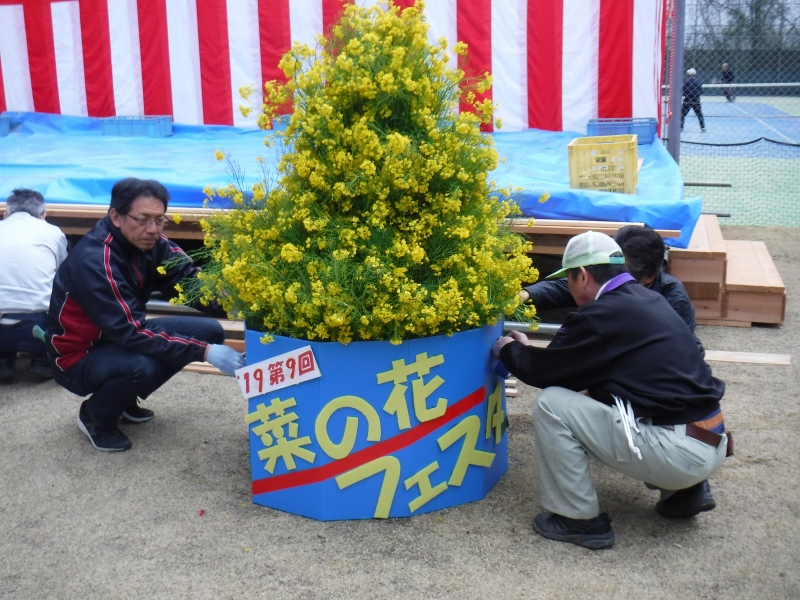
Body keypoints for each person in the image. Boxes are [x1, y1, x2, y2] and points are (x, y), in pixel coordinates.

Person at [493, 231, 729, 550]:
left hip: (679, 454)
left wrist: (510, 348)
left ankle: (578, 520)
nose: (570, 287)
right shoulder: (652, 300)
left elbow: (546, 373)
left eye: (570, 280)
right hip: (712, 442)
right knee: (603, 394)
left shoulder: (601, 315)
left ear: (584, 276)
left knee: (552, 404)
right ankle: (683, 494)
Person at [47, 178, 245, 452]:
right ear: (116, 216)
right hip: (77, 356)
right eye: (142, 219)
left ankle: (123, 399)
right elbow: (132, 332)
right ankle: (94, 416)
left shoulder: (152, 243)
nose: (152, 229)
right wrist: (206, 353)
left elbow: (189, 280)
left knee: (210, 332)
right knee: (143, 366)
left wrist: (241, 302)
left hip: (117, 338)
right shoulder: (96, 261)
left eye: (159, 220)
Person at [522, 225, 697, 332]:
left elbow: (680, 351)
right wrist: (526, 294)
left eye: (621, 269)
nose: (612, 272)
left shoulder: (672, 299)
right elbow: (566, 287)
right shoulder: (606, 279)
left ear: (649, 277)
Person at [0, 189, 68, 382]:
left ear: (5, 214)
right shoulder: (53, 232)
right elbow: (64, 276)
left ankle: (4, 359)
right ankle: (43, 358)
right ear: (42, 216)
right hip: (36, 328)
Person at [681, 68, 706, 132]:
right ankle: (703, 128)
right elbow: (700, 91)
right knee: (699, 114)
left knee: (682, 114)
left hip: (688, 100)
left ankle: (681, 127)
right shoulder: (699, 81)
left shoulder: (687, 82)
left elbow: (684, 92)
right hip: (696, 100)